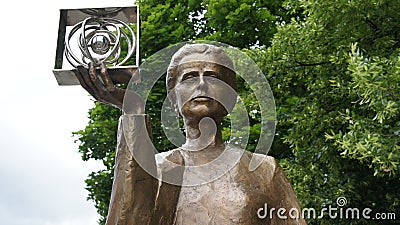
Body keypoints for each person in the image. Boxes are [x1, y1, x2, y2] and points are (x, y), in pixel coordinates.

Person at [75, 43, 307, 225]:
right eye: (189, 77)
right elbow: (129, 219)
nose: (202, 85)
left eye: (213, 77)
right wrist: (134, 110)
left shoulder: (264, 169)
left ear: (230, 98)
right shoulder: (157, 169)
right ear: (173, 101)